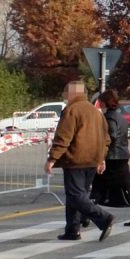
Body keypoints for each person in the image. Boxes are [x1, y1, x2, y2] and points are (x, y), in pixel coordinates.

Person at [46, 81, 114, 241]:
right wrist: (101, 158)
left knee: (75, 195)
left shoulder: (71, 110)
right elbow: (106, 139)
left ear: (72, 94)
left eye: (65, 92)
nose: (63, 95)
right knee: (76, 197)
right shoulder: (96, 112)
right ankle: (72, 230)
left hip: (75, 160)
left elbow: (63, 137)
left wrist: (52, 158)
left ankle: (104, 218)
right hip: (92, 160)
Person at [92, 90, 130, 226]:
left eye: (101, 101)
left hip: (111, 157)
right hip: (122, 155)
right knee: (127, 185)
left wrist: (102, 154)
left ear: (105, 102)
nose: (100, 104)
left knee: (97, 186)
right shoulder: (121, 117)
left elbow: (112, 136)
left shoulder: (108, 118)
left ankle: (87, 215)